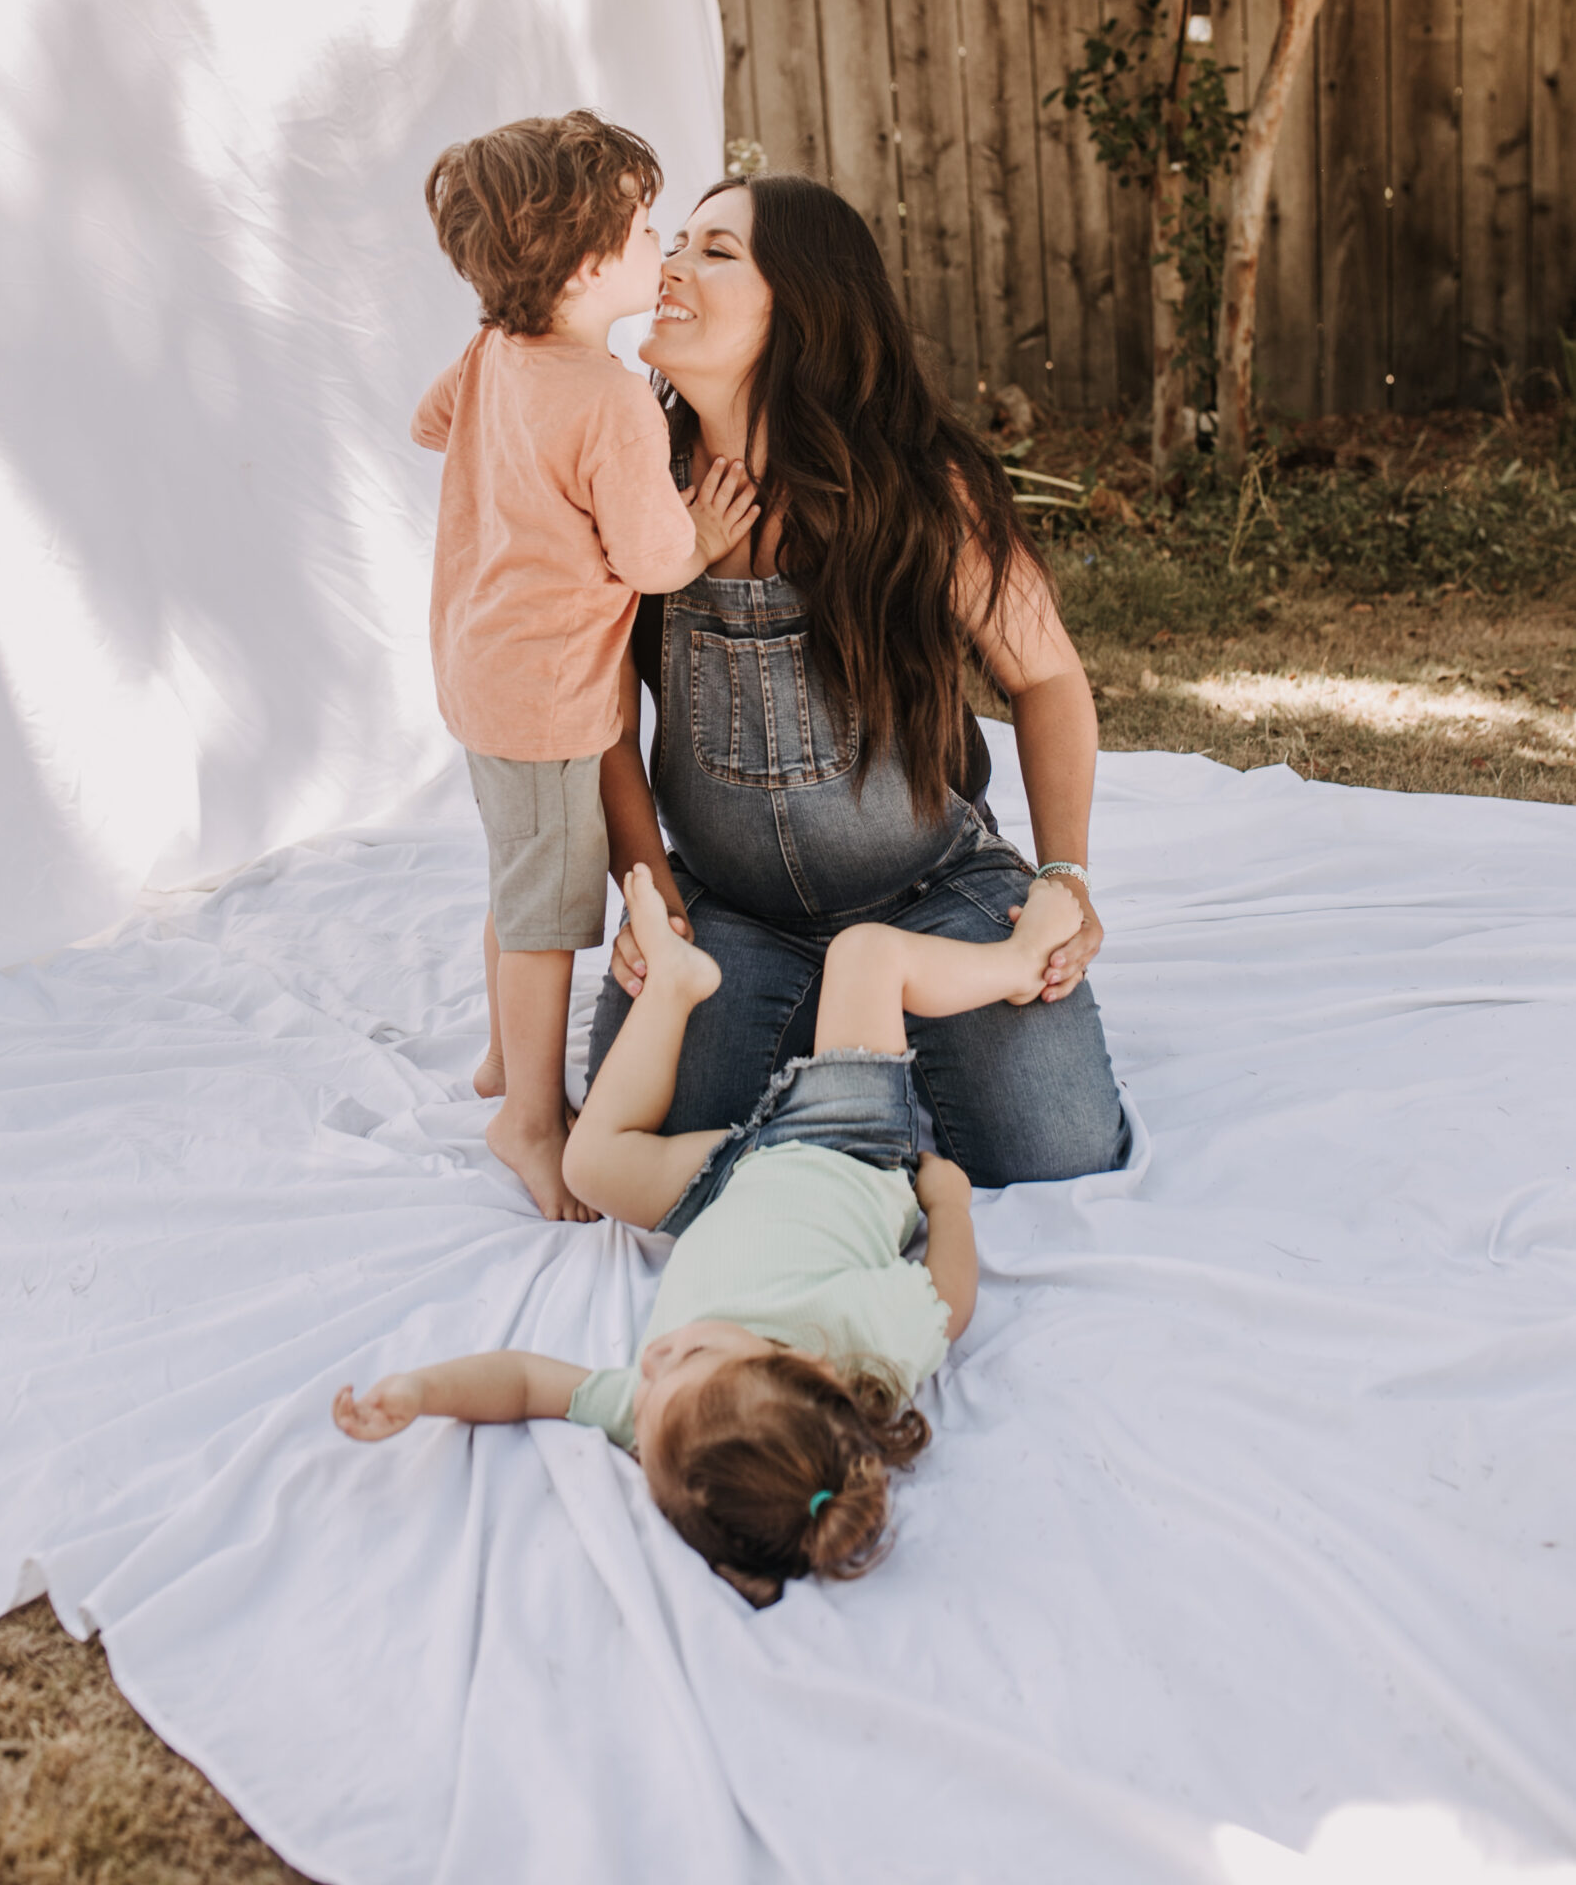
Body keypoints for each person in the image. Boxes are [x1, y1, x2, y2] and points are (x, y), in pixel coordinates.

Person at [335, 864, 1082, 1605]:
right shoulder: (859, 1345)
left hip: (728, 1182)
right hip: (842, 1145)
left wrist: (420, 1392)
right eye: (688, 1353)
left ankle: (675, 984)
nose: (653, 1359)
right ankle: (1016, 964)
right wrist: (947, 1205)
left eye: (650, 1389)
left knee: (588, 1164)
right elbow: (947, 1302)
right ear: (802, 1366)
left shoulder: (669, 1423)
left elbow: (528, 1383)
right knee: (864, 955)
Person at [591, 173, 1129, 1188]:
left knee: (1057, 1149)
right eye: (679, 243)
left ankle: (870, 1032)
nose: (670, 266)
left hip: (928, 893)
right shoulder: (635, 490)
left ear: (801, 304)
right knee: (660, 1140)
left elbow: (1048, 676)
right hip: (729, 909)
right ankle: (841, 1050)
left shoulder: (920, 485)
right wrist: (649, 892)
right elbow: (607, 731)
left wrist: (1066, 875)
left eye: (716, 251)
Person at [413, 112, 758, 1222]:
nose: (660, 248)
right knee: (551, 911)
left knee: (519, 874)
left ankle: (500, 1057)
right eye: (643, 229)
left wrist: (509, 464)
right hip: (551, 700)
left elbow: (430, 425)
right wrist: (702, 533)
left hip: (475, 670)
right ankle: (528, 1114)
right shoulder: (609, 399)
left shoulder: (491, 351)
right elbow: (656, 562)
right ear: (577, 262)